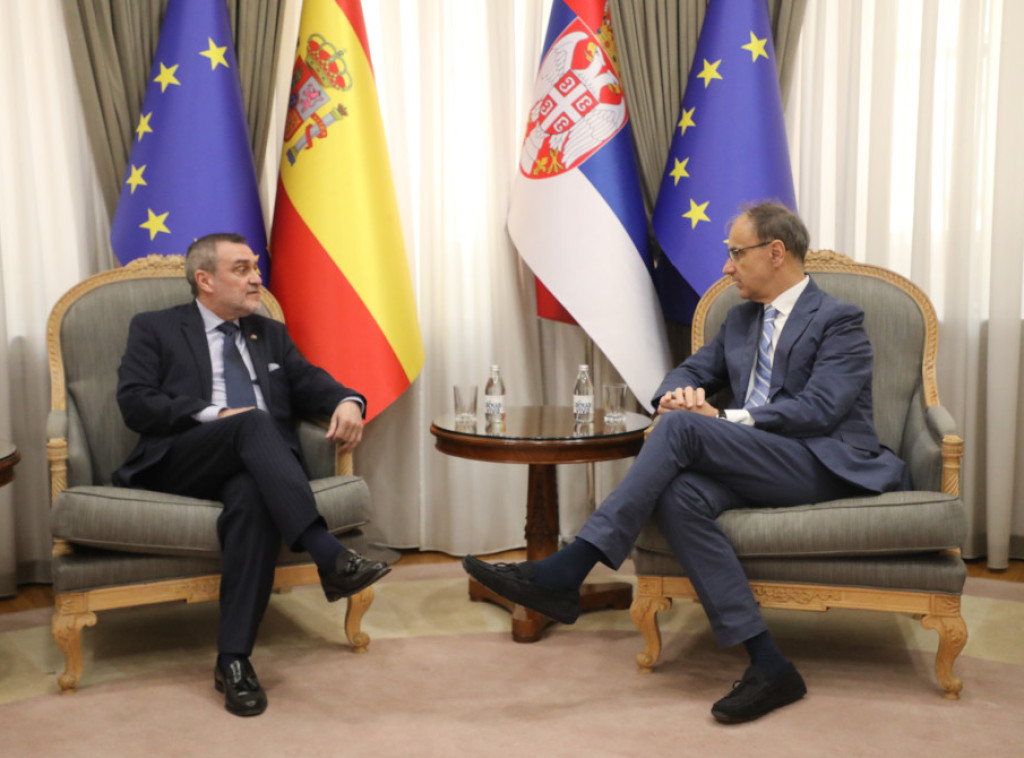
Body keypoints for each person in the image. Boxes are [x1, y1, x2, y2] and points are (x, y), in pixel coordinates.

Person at [463, 202, 908, 724]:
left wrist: (720, 416)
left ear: (776, 252)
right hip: (761, 461)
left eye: (736, 253)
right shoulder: (740, 320)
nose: (726, 267)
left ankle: (570, 568)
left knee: (681, 430)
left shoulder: (838, 320)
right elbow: (685, 373)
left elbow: (820, 409)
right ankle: (769, 663)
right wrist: (678, 397)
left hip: (823, 463)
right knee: (679, 496)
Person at [113, 232, 390, 717]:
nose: (256, 278)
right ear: (205, 280)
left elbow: (310, 381)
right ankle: (327, 554)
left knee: (252, 498)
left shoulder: (269, 333)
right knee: (253, 421)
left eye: (255, 267)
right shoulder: (155, 327)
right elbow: (135, 402)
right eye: (241, 269)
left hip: (259, 466)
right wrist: (215, 414)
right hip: (183, 457)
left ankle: (234, 660)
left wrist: (349, 400)